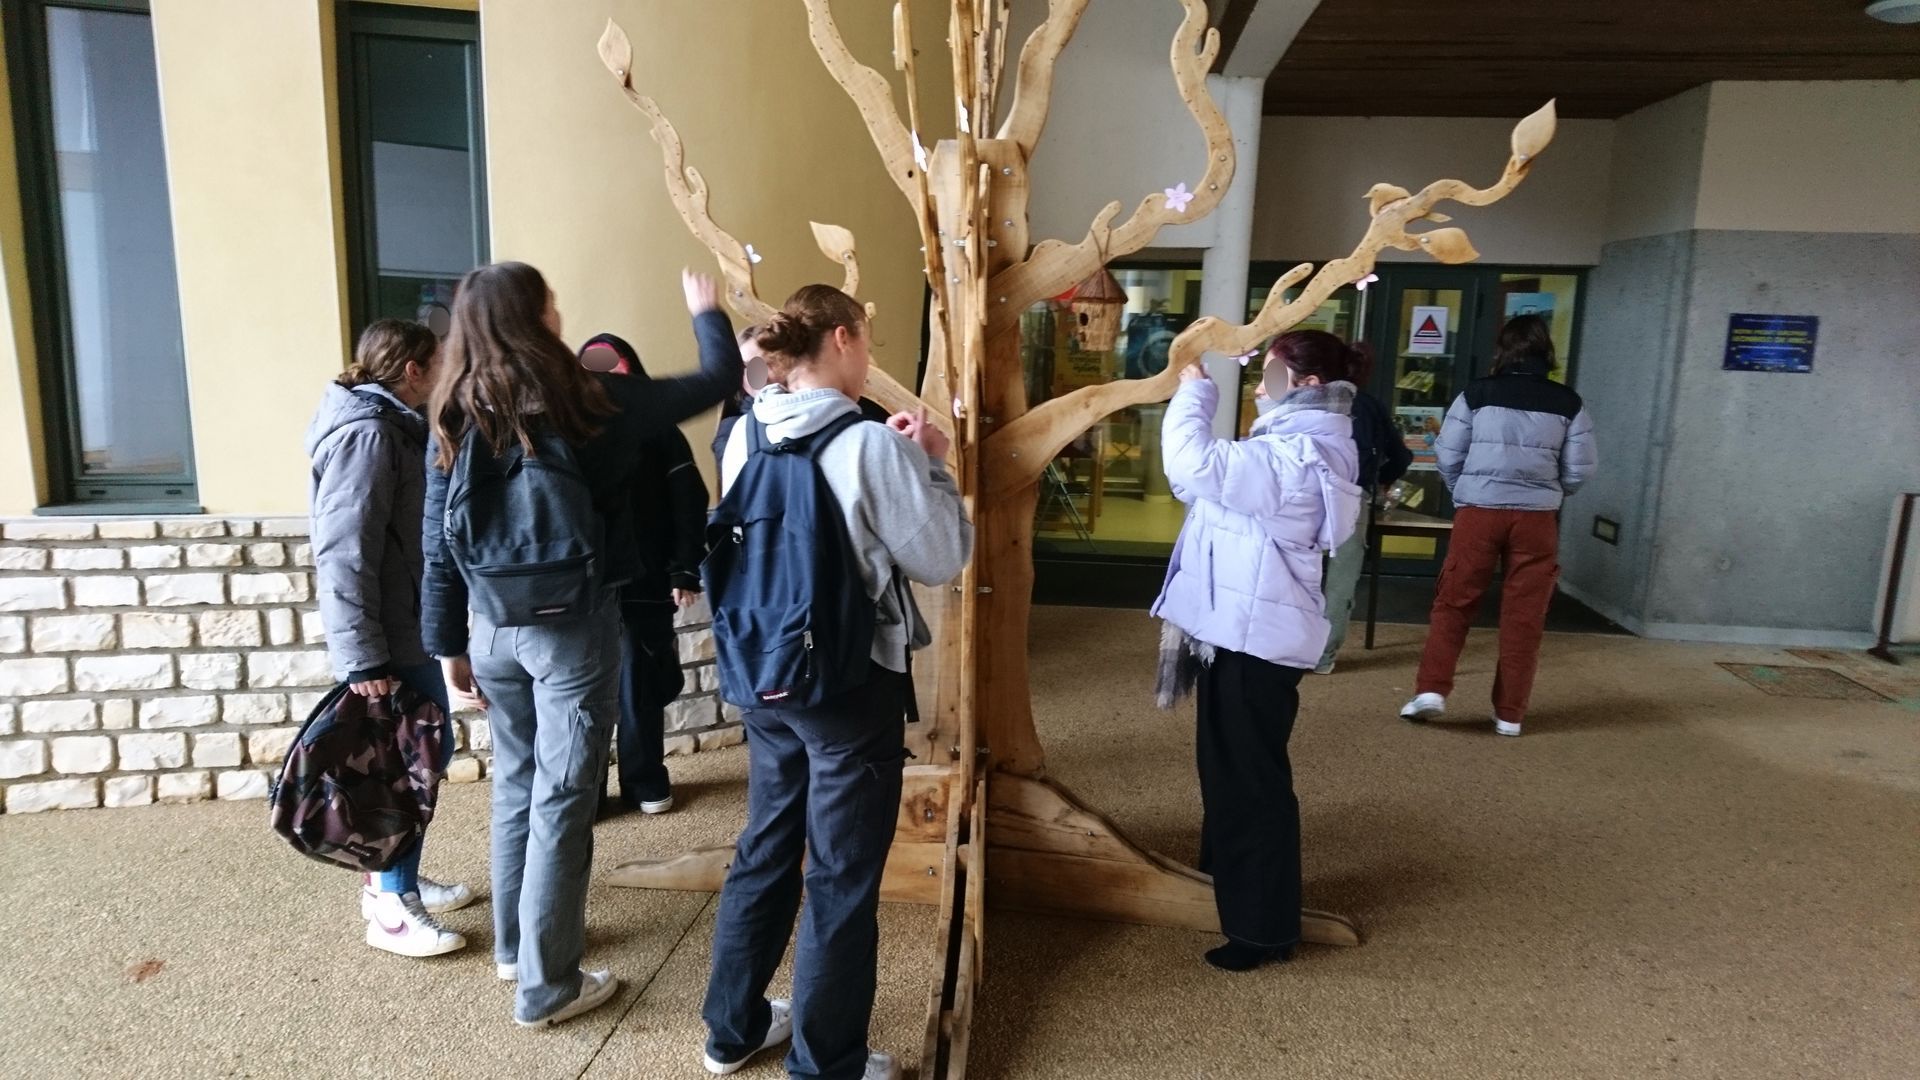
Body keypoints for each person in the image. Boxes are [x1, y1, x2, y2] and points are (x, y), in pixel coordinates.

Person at [421, 262, 743, 1027]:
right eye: (550, 302)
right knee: (564, 799)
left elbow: (439, 543)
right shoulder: (590, 399)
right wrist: (706, 308)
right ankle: (547, 986)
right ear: (536, 317)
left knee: (517, 784)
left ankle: (513, 948)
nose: (560, 311)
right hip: (572, 626)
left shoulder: (452, 407)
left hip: (492, 627)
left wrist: (447, 646)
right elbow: (716, 379)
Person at [701, 285, 972, 1080]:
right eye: (869, 341)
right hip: (848, 686)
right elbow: (940, 558)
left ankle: (733, 1029)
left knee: (764, 847)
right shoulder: (869, 445)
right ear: (846, 339)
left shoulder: (743, 433)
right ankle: (827, 1065)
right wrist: (934, 467)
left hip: (764, 673)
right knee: (843, 877)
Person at [1150, 332, 1363, 972]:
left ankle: (1263, 928)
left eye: (1271, 368)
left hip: (1254, 640)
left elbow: (1192, 468)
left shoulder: (1301, 451)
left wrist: (1196, 393)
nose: (1261, 377)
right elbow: (1205, 492)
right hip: (1236, 631)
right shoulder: (1286, 441)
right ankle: (1224, 883)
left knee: (1251, 784)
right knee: (1230, 771)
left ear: (1305, 383)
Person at [306, 318, 474, 958]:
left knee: (412, 758)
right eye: (441, 364)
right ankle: (390, 909)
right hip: (389, 640)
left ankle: (394, 881)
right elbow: (344, 553)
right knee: (404, 765)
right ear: (413, 371)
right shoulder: (370, 434)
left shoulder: (389, 425)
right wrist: (363, 657)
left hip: (403, 629)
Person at [1400, 314, 1596, 736]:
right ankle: (1510, 714)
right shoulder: (1568, 402)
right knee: (1525, 616)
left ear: (1502, 350)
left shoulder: (1477, 393)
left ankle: (1432, 690)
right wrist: (1549, 492)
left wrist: (1465, 491)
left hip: (1479, 512)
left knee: (1454, 601)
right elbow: (1580, 470)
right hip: (1537, 519)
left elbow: (1447, 454)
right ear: (1546, 351)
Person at [577, 332, 708, 815]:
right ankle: (585, 796)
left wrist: (684, 568)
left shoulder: (659, 430)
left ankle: (645, 781)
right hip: (582, 588)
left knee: (639, 685)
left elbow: (688, 500)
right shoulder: (567, 430)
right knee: (582, 694)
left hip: (645, 580)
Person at [1314, 342, 1413, 673]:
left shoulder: (1311, 401)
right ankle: (1323, 657)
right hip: (1354, 499)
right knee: (1340, 582)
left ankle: (1285, 647)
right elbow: (1401, 457)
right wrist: (1377, 480)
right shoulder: (1370, 406)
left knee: (1296, 572)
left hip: (1308, 495)